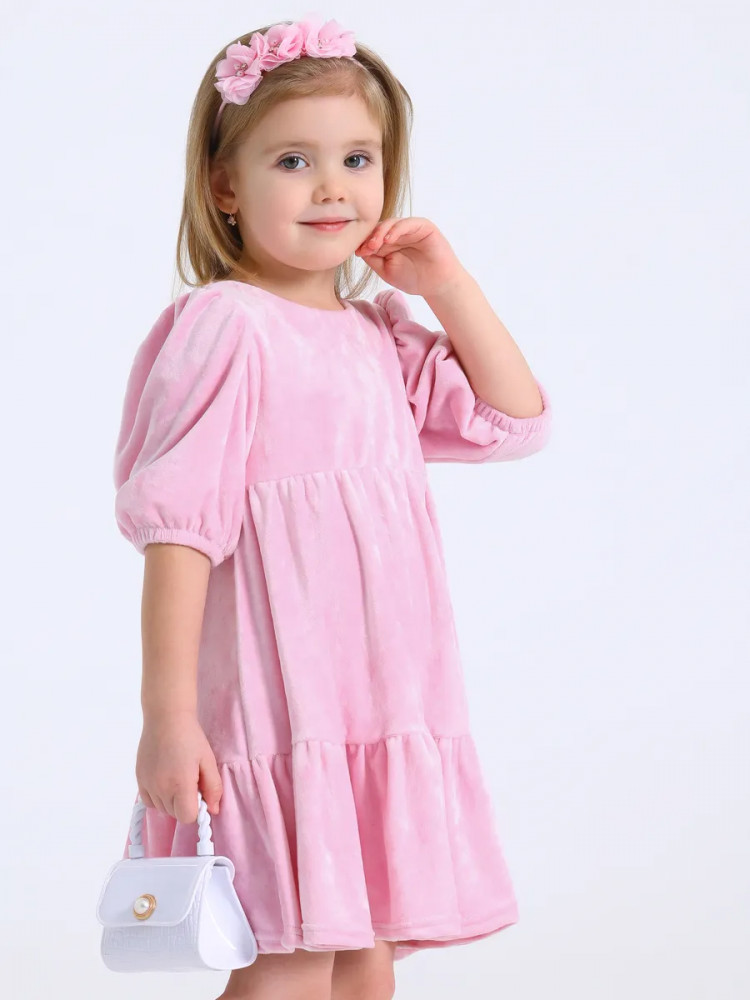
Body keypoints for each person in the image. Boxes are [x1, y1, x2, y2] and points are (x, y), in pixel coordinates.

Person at [111, 12, 552, 1000]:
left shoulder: (379, 334)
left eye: (357, 159)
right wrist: (167, 716)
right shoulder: (227, 327)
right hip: (283, 711)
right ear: (225, 186)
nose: (332, 187)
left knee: (365, 968)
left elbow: (515, 419)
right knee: (289, 967)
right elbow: (179, 533)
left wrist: (448, 286)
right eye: (293, 161)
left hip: (383, 705)